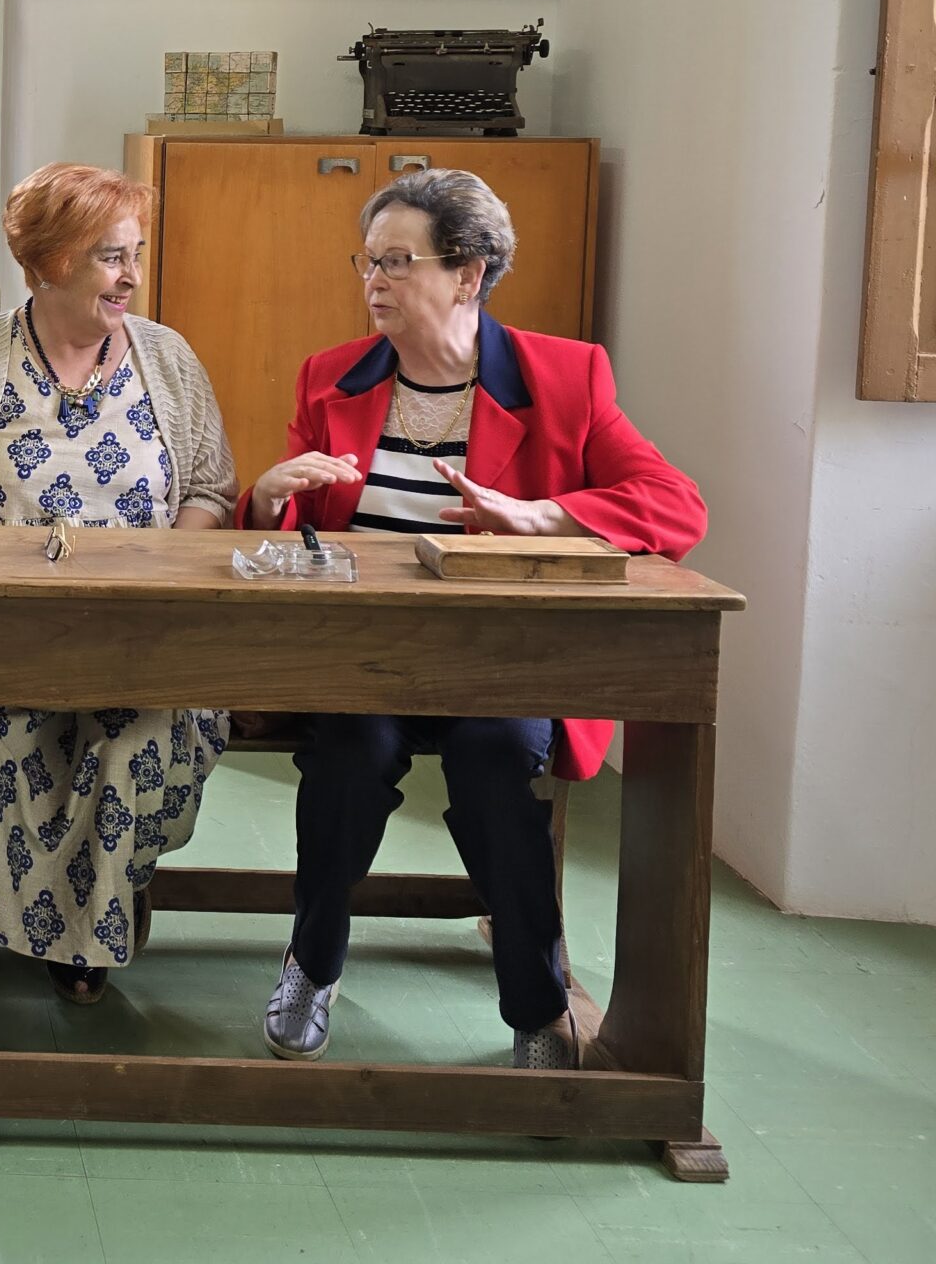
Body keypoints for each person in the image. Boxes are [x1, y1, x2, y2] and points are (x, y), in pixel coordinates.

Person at [241, 168, 707, 1068]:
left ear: (469, 273)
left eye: (397, 262)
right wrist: (267, 498)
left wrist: (539, 516)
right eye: (367, 261)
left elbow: (676, 505)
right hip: (361, 659)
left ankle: (537, 1006)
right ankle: (312, 960)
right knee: (349, 755)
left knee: (495, 758)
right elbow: (290, 537)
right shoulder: (331, 377)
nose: (373, 281)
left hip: (504, 659)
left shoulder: (564, 376)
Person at [0, 163, 236, 1003]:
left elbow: (211, 489)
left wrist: (169, 576)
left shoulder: (168, 359)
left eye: (135, 254)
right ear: (48, 265)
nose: (132, 276)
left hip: (142, 641)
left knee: (133, 744)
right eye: (112, 257)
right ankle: (33, 927)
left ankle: (86, 936)